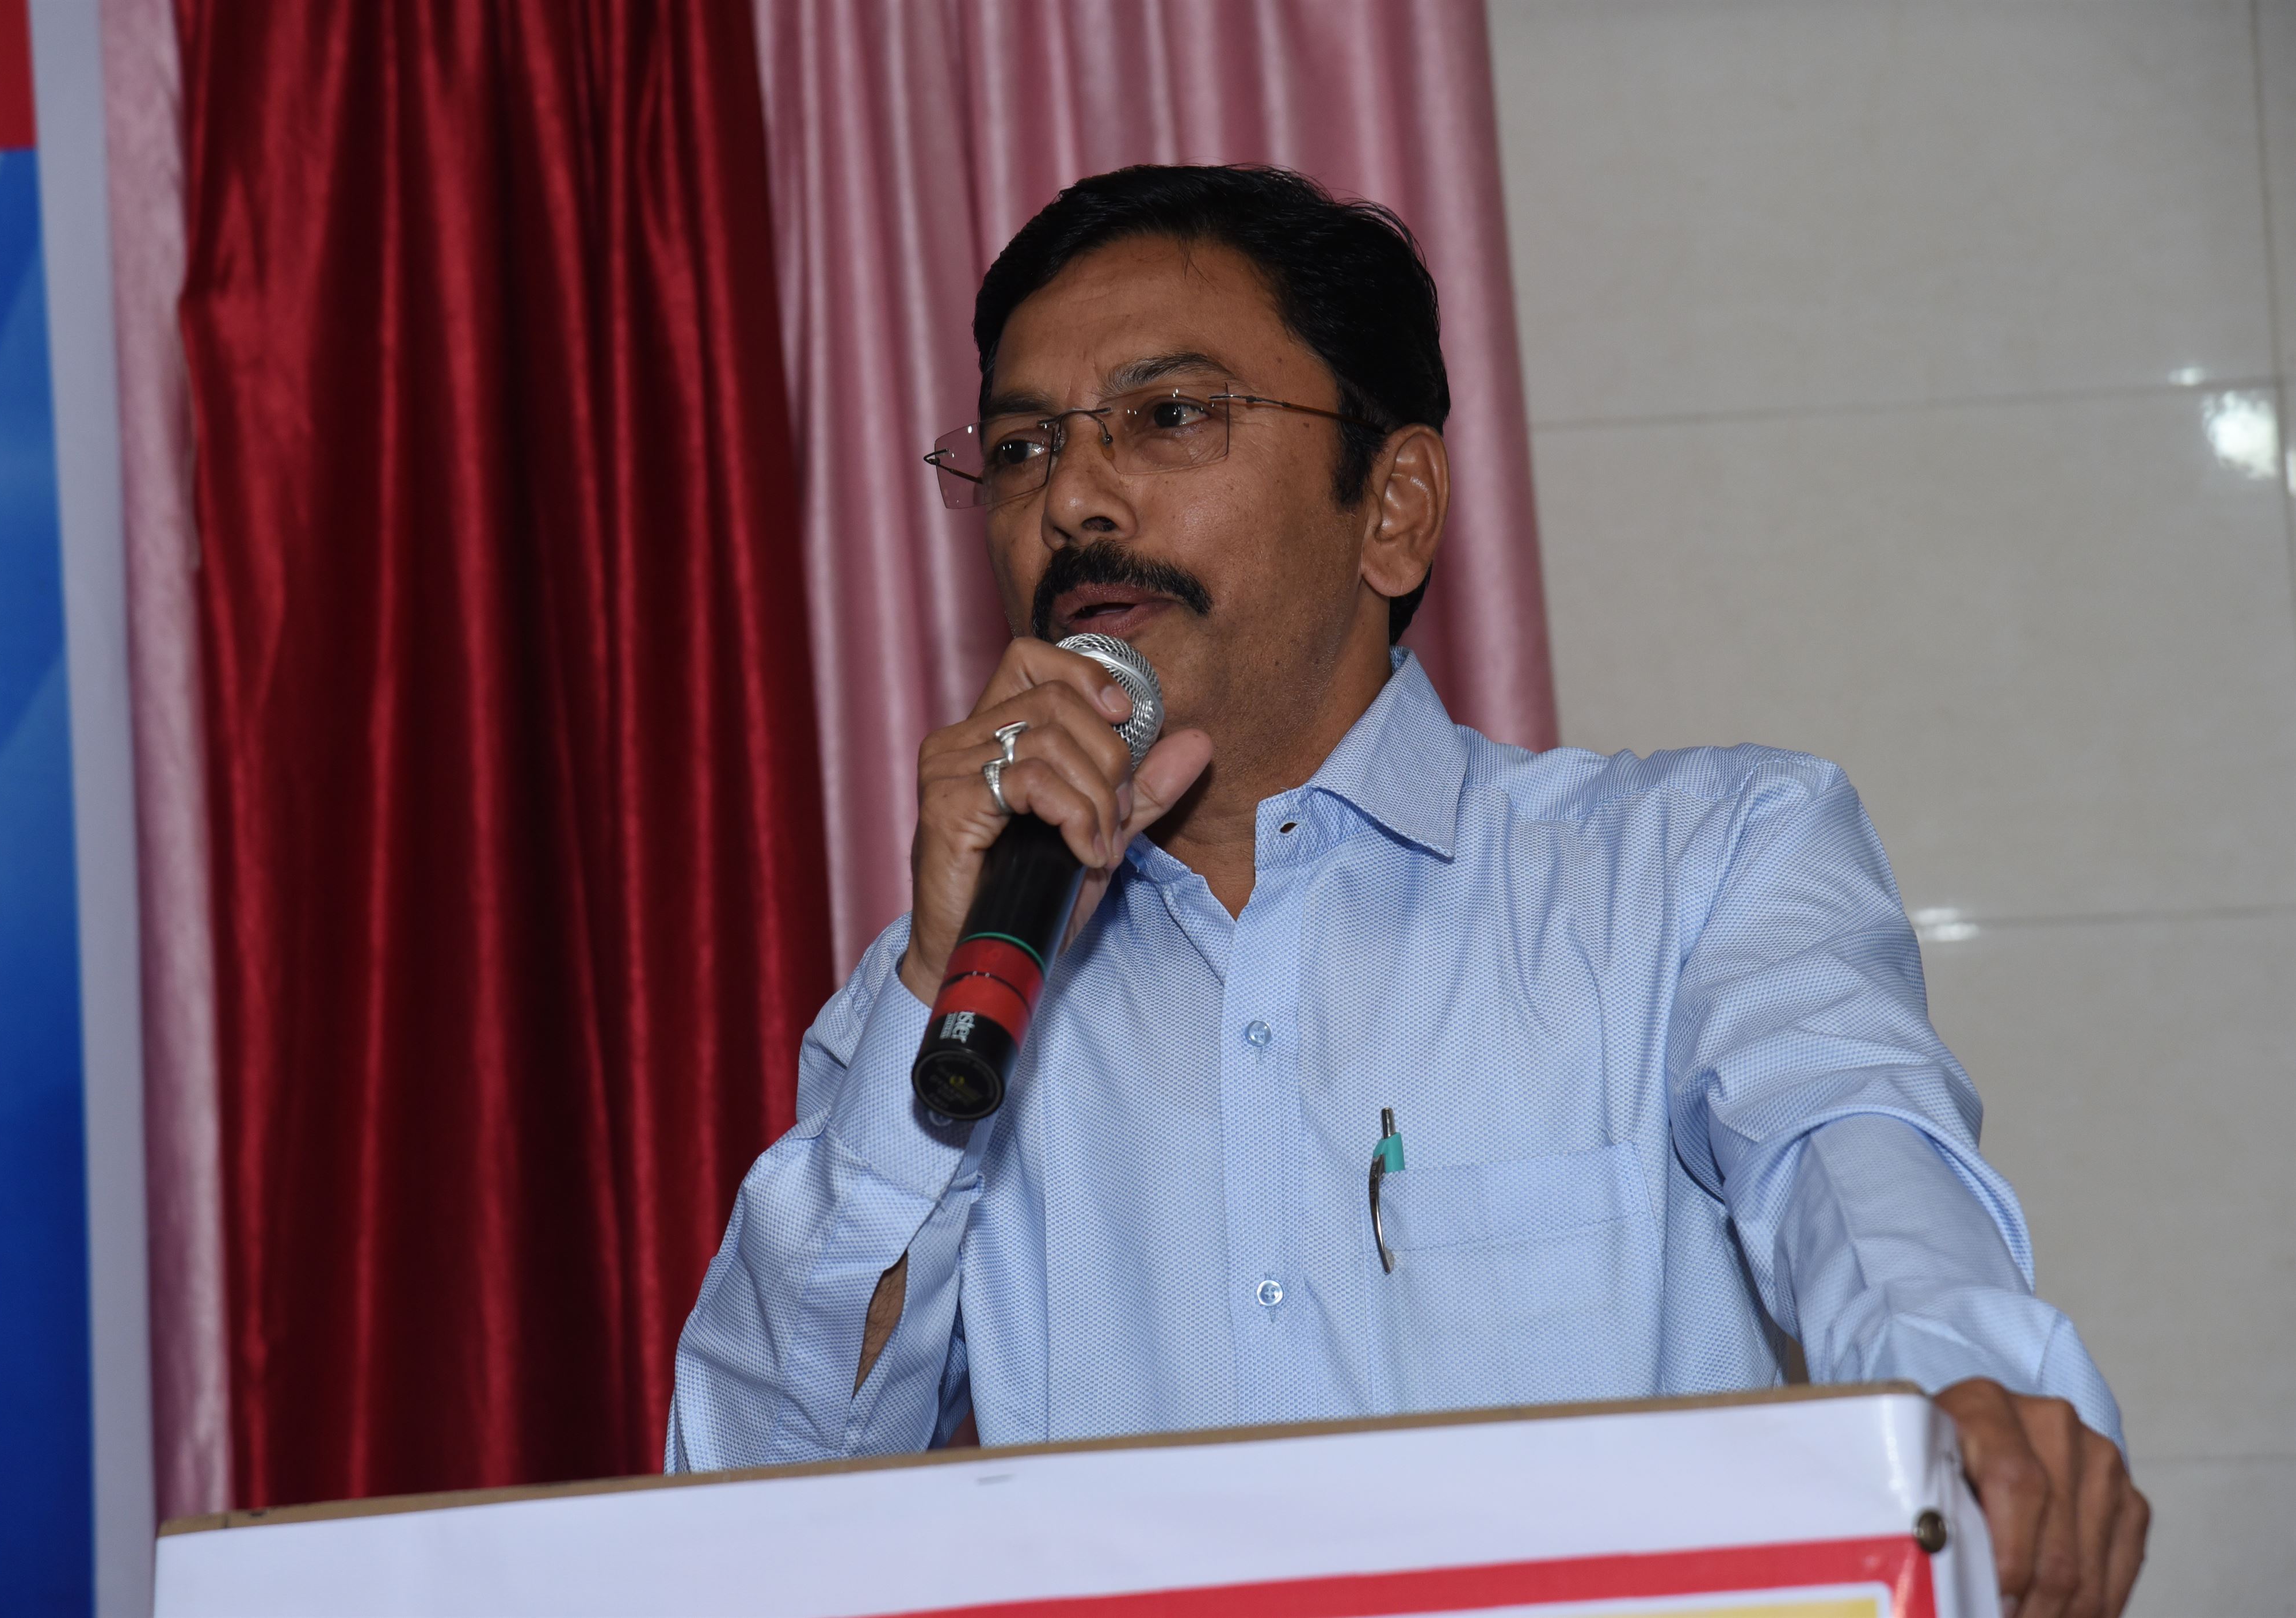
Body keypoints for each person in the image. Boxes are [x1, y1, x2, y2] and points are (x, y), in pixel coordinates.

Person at [667, 165, 2147, 1617]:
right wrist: (938, 981)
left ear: (1394, 507)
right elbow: (746, 1521)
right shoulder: (952, 990)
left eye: (1169, 415)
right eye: (1021, 446)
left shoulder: (1693, 868)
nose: (1074, 500)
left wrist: (1976, 1392)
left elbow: (1855, 1162)